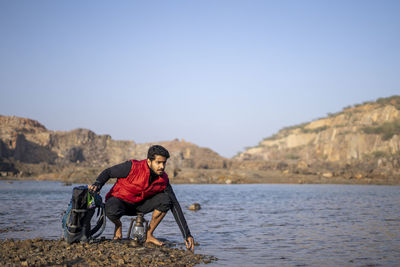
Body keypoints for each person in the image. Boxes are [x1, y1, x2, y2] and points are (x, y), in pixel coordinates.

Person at [88, 145, 195, 252]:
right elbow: (108, 172)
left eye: (164, 163)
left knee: (167, 200)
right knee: (111, 208)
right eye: (158, 162)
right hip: (121, 203)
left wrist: (187, 234)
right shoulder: (132, 166)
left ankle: (149, 235)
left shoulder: (164, 179)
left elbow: (175, 205)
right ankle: (118, 225)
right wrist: (98, 184)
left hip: (140, 206)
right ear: (149, 161)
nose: (162, 166)